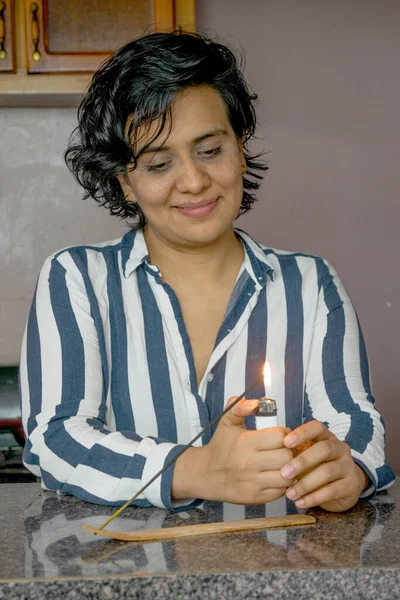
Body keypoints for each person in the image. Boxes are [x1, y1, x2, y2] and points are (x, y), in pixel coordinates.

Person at [19, 31, 395, 513]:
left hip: (280, 568)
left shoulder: (309, 283)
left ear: (239, 149)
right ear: (125, 183)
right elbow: (56, 439)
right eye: (158, 164)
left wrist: (349, 467)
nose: (194, 181)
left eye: (210, 150)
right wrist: (197, 470)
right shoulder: (76, 279)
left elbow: (354, 422)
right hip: (130, 574)